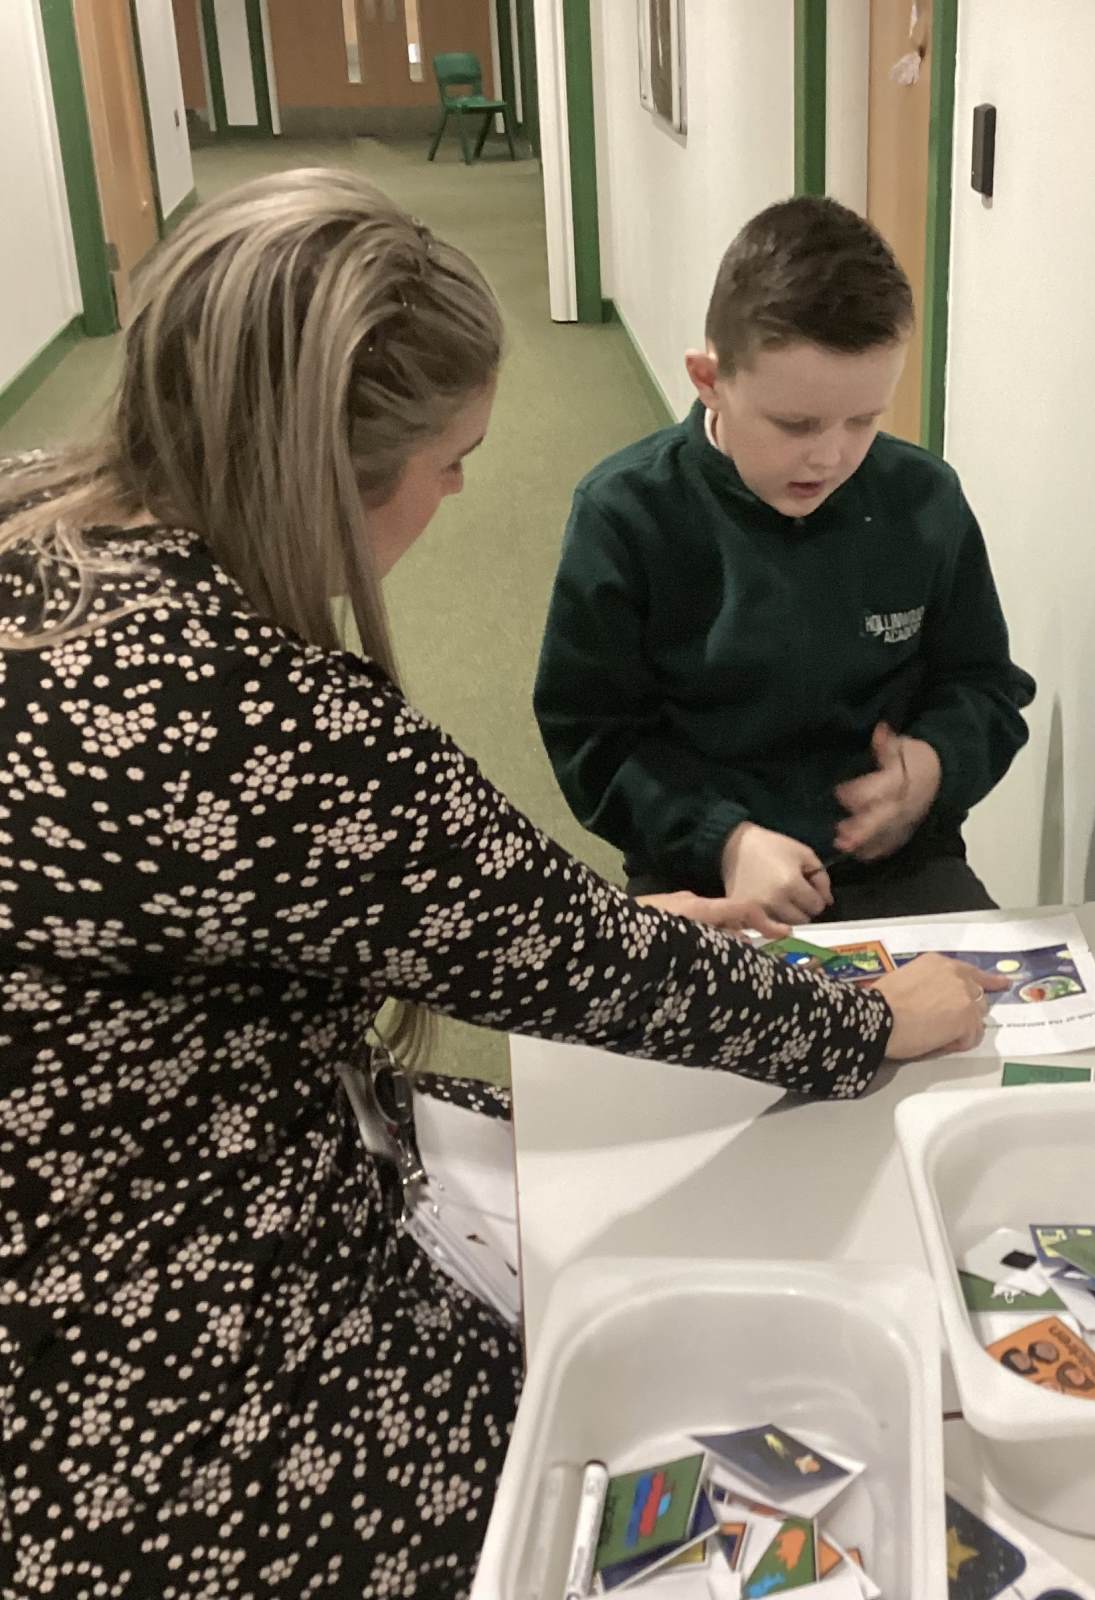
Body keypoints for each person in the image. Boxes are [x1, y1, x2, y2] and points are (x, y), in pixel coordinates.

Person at [0, 172, 999, 1599]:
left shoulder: (40, 522)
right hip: (123, 1320)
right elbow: (559, 936)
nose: (464, 491)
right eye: (454, 459)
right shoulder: (261, 720)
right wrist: (870, 1018)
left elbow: (476, 921)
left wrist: (595, 931)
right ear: (323, 469)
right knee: (606, 1428)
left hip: (134, 1142)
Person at [534, 196, 1036, 927]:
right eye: (795, 424)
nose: (830, 456)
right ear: (709, 380)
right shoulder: (626, 513)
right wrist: (726, 841)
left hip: (900, 867)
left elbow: (985, 685)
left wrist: (932, 765)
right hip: (706, 872)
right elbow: (592, 738)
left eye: (864, 419)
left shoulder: (923, 498)